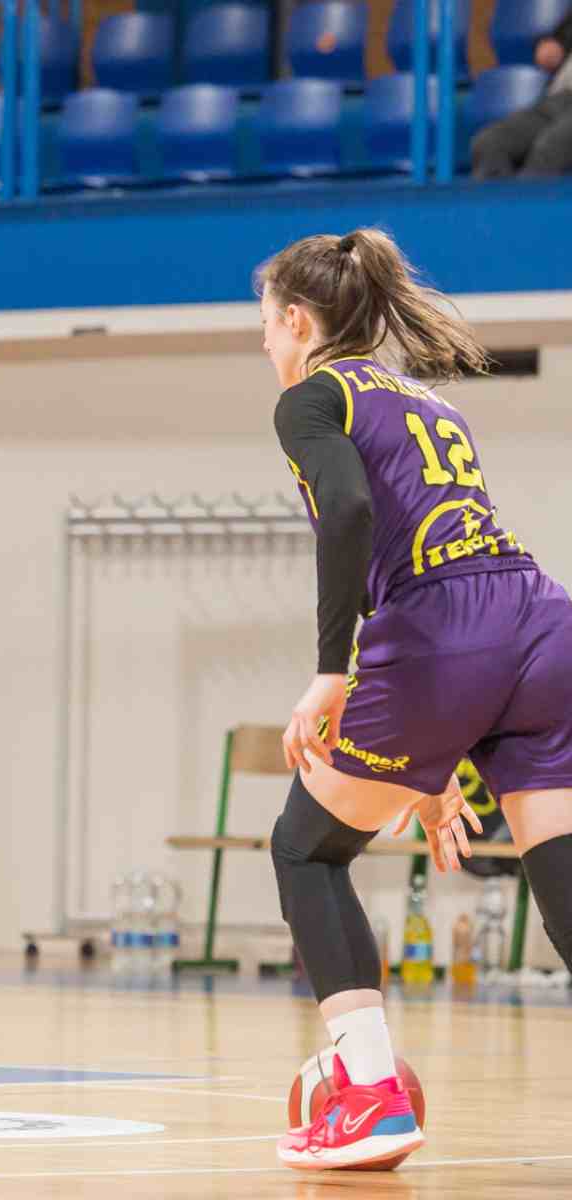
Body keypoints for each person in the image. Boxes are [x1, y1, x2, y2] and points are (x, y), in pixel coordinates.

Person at [260, 228, 572, 1171]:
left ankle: (369, 1094)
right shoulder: (428, 400)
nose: (265, 342)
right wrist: (429, 770)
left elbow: (352, 514)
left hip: (445, 632)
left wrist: (331, 670)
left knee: (305, 848)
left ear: (299, 320)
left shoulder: (313, 396)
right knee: (561, 876)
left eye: (266, 323)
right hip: (541, 619)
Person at [471, 9, 572, 178]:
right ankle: (499, 196)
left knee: (552, 146)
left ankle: (533, 194)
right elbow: (558, 40)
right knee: (489, 143)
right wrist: (555, 46)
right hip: (559, 96)